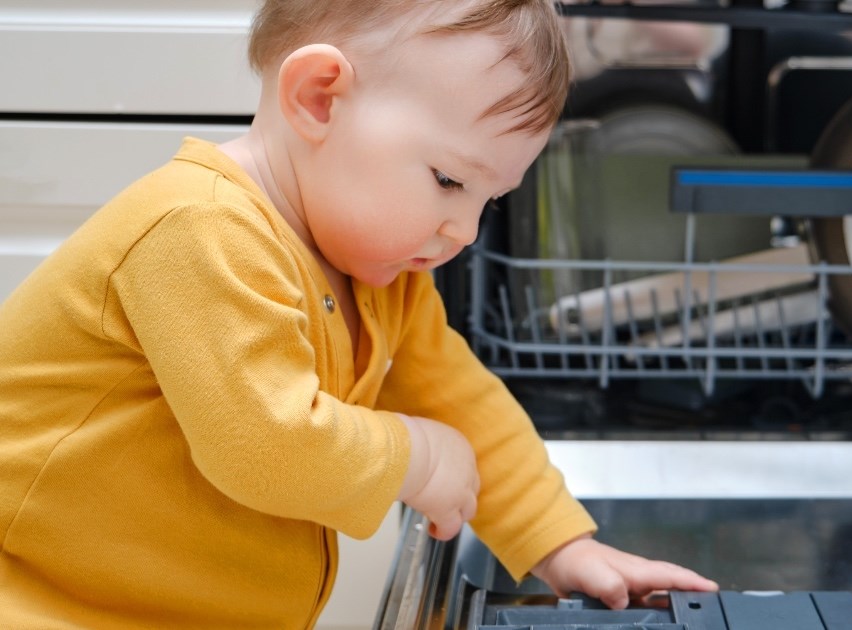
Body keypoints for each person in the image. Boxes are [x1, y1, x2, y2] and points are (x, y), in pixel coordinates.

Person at [0, 0, 718, 627]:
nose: (464, 230)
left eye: (486, 200)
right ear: (320, 98)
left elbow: (461, 404)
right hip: (44, 606)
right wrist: (416, 455)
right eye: (448, 180)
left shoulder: (375, 272)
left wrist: (564, 547)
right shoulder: (200, 231)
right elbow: (266, 446)